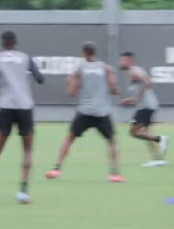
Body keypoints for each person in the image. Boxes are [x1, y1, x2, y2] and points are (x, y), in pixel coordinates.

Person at [0, 31, 44, 204]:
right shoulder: (25, 58)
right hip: (24, 106)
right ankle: (23, 191)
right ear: (15, 42)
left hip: (5, 106)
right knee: (27, 150)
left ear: (3, 43)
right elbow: (40, 78)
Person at [45, 42, 122, 181]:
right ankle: (114, 173)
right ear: (95, 53)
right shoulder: (106, 68)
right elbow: (114, 90)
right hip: (102, 111)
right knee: (111, 141)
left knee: (69, 139)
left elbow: (71, 93)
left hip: (85, 111)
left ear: (84, 53)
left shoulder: (80, 69)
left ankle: (56, 169)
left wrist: (69, 82)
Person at [118, 52, 169, 166]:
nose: (120, 63)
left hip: (146, 107)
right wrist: (130, 100)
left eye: (123, 61)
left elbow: (147, 82)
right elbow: (143, 86)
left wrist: (137, 98)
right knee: (145, 132)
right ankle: (158, 159)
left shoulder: (134, 71)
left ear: (129, 61)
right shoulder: (135, 71)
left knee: (133, 132)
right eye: (120, 61)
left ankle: (160, 139)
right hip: (147, 106)